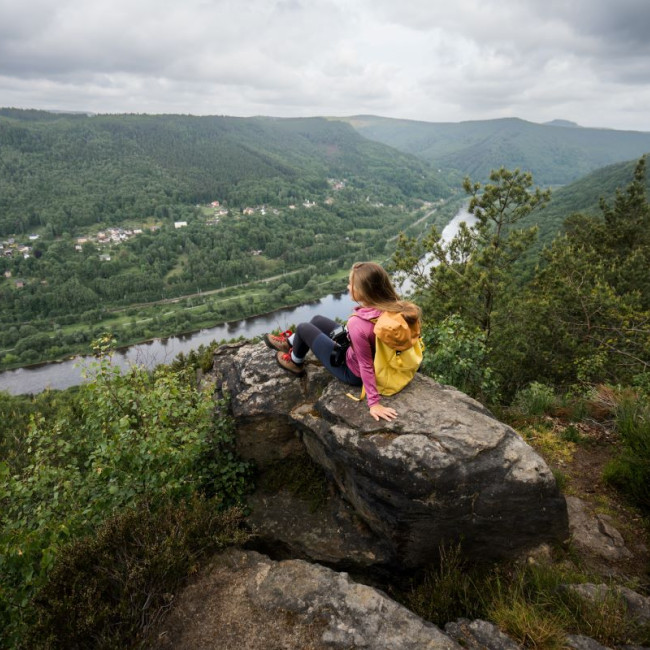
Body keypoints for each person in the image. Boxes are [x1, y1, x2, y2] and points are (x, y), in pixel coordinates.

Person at [263, 261, 421, 422]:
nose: (347, 287)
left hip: (351, 371)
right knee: (317, 320)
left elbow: (365, 365)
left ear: (363, 292)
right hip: (373, 356)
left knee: (304, 328)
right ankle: (289, 342)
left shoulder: (358, 324)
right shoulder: (396, 308)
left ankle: (296, 362)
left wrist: (374, 403)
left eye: (351, 284)